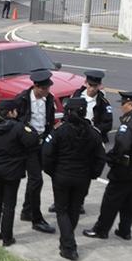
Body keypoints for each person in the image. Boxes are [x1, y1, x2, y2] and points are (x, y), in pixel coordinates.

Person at [84, 91, 132, 240]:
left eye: (123, 104)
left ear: (131, 105)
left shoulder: (130, 123)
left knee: (110, 200)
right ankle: (125, 230)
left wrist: (112, 158)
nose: (121, 107)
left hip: (125, 169)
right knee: (131, 199)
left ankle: (101, 230)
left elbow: (122, 145)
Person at [42, 98, 106, 261]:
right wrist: (92, 174)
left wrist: (53, 173)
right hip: (82, 179)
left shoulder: (59, 131)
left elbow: (47, 155)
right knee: (74, 209)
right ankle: (67, 243)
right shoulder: (93, 133)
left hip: (62, 177)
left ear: (68, 112)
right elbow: (100, 158)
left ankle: (69, 247)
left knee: (62, 211)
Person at [49, 69, 113, 214]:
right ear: (85, 83)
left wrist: (93, 131)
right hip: (71, 136)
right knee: (63, 168)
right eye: (90, 85)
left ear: (99, 86)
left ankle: (79, 202)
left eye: (95, 86)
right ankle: (58, 201)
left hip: (90, 139)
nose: (92, 88)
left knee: (84, 172)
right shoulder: (76, 95)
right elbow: (66, 114)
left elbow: (107, 124)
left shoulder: (103, 102)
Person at [0, 99, 39, 247]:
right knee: (9, 205)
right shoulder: (18, 128)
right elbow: (33, 141)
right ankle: (7, 237)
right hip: (12, 172)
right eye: (15, 111)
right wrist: (27, 126)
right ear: (10, 112)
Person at [14, 69, 56, 234]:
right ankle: (36, 219)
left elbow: (50, 120)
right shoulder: (22, 99)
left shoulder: (49, 99)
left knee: (35, 180)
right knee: (36, 180)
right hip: (27, 145)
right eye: (45, 88)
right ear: (36, 87)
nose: (48, 91)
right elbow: (14, 121)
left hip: (42, 143)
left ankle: (27, 211)